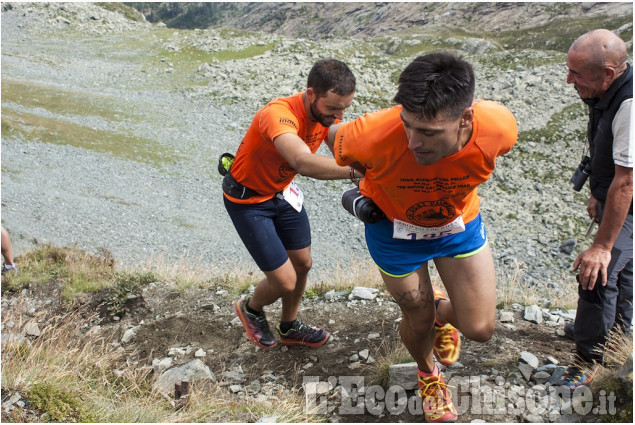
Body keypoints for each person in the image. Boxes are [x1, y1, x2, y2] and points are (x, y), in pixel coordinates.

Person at [327, 52, 517, 422]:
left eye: (429, 132)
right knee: (418, 319)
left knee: (480, 328)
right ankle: (429, 375)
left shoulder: (499, 128)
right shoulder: (372, 134)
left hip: (457, 229)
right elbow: (334, 135)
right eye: (408, 126)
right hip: (393, 232)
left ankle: (443, 313)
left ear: (466, 118)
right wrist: (365, 177)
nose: (414, 142)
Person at [224, 59, 359, 349]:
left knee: (303, 263)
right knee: (284, 281)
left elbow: (340, 140)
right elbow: (302, 161)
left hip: (282, 192)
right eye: (334, 108)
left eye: (345, 108)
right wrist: (355, 172)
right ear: (311, 94)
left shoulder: (326, 115)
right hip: (248, 200)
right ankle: (251, 308)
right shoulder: (279, 114)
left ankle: (289, 326)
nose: (338, 115)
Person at [558, 29, 633, 388]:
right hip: (616, 197)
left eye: (577, 73)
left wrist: (601, 246)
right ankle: (615, 337)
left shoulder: (630, 105)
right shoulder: (608, 91)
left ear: (607, 73)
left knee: (597, 272)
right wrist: (597, 194)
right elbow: (610, 160)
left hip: (629, 201)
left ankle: (590, 360)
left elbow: (627, 182)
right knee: (625, 271)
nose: (569, 79)